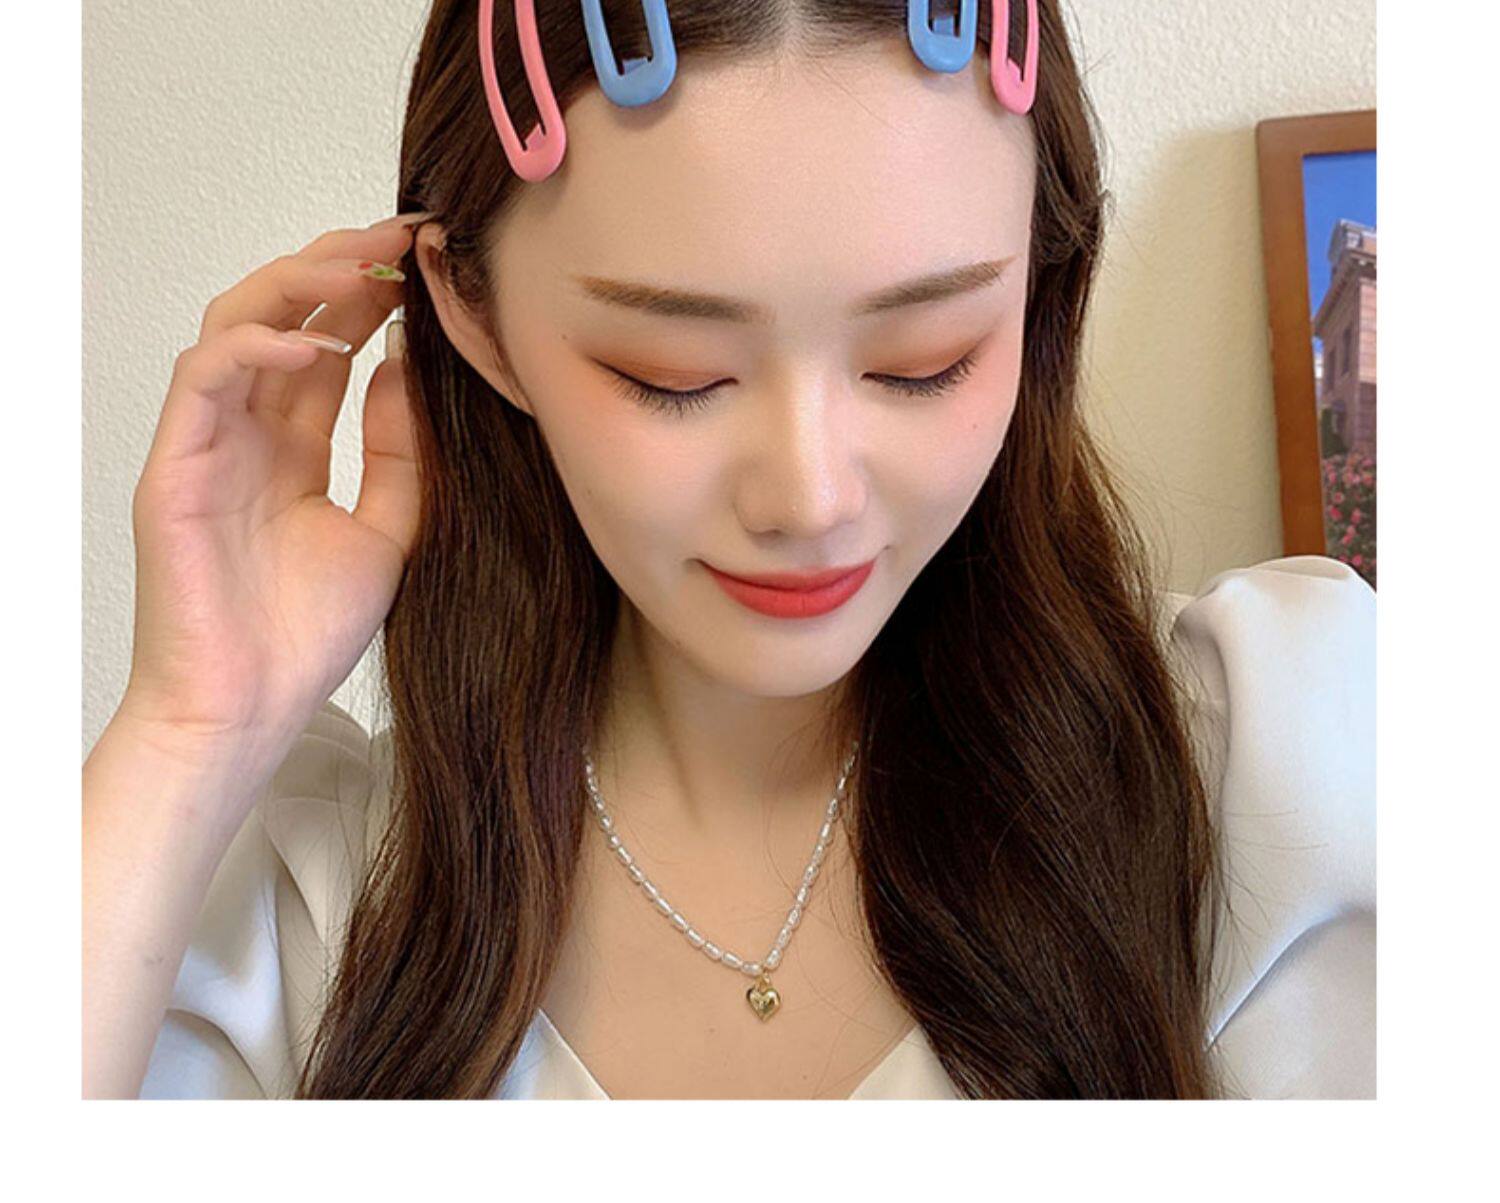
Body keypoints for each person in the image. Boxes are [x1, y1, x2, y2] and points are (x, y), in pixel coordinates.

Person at [82, 0, 1374, 1100]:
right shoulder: (298, 902)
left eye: (924, 361)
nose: (810, 497)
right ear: (473, 312)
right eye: (673, 374)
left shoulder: (1276, 771)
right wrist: (192, 730)